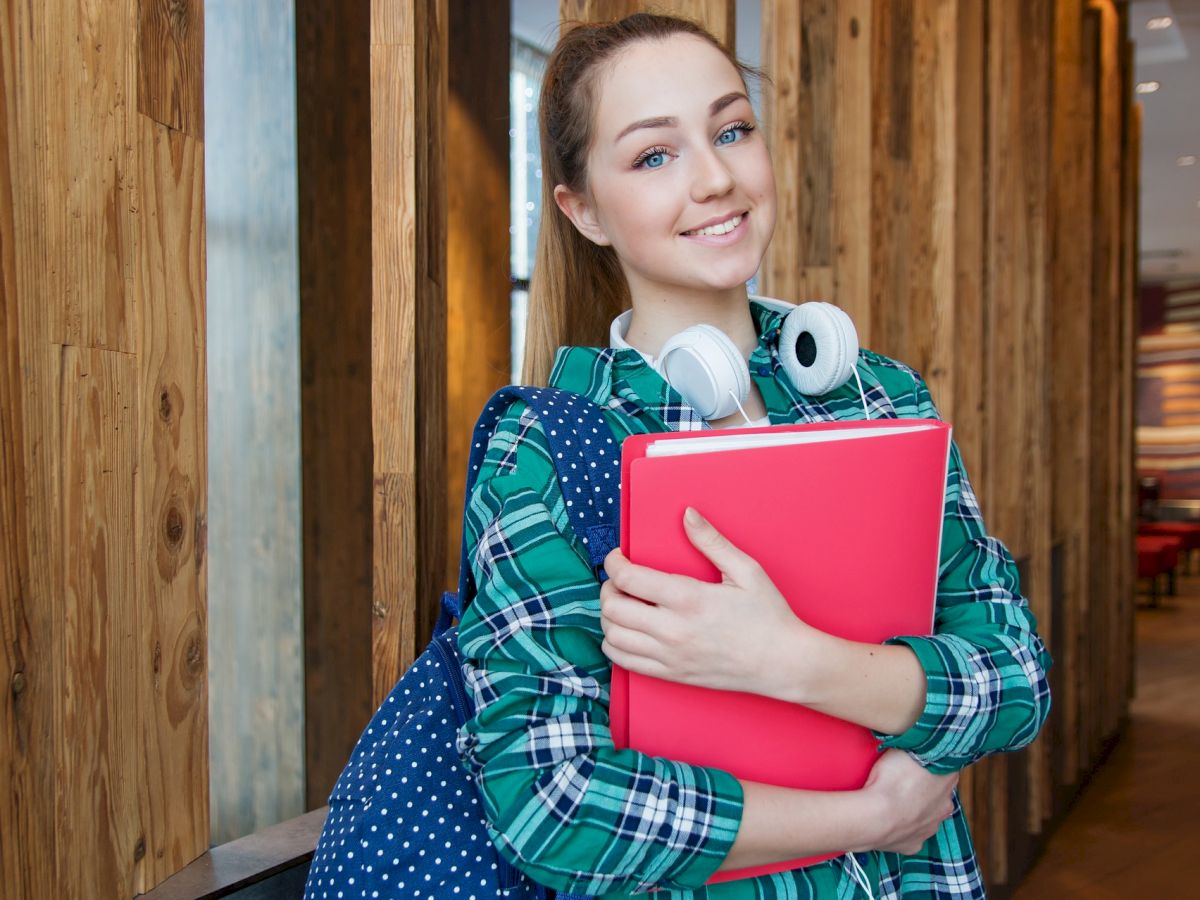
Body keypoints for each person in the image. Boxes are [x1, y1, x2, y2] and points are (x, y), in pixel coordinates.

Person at [455, 12, 1051, 899]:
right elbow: (551, 804)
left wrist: (791, 661)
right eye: (655, 156)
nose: (718, 177)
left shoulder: (880, 396)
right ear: (582, 210)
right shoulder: (546, 449)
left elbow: (1016, 676)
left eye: (732, 130)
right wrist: (871, 817)